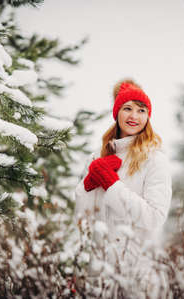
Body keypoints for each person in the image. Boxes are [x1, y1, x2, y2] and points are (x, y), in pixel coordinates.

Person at [74, 78, 172, 259]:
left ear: (147, 116)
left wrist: (112, 185)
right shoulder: (97, 157)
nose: (134, 116)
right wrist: (87, 186)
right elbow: (82, 217)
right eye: (127, 108)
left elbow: (154, 217)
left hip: (134, 268)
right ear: (117, 113)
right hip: (96, 266)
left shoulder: (155, 160)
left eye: (141, 110)